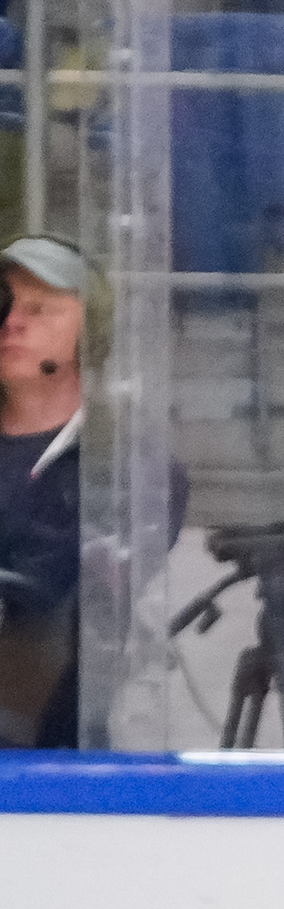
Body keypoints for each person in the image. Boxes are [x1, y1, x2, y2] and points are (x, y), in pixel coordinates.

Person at [0, 236, 98, 748]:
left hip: (52, 759)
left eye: (40, 309)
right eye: (7, 305)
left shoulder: (120, 469)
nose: (12, 322)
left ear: (91, 332)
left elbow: (41, 594)